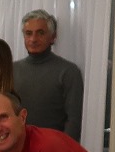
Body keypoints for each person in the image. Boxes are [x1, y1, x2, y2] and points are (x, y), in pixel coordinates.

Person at [12, 9, 84, 140]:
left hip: (54, 146)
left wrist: (63, 147)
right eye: (28, 33)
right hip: (17, 146)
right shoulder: (12, 70)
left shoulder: (68, 71)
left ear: (53, 37)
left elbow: (74, 120)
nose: (33, 39)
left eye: (40, 33)